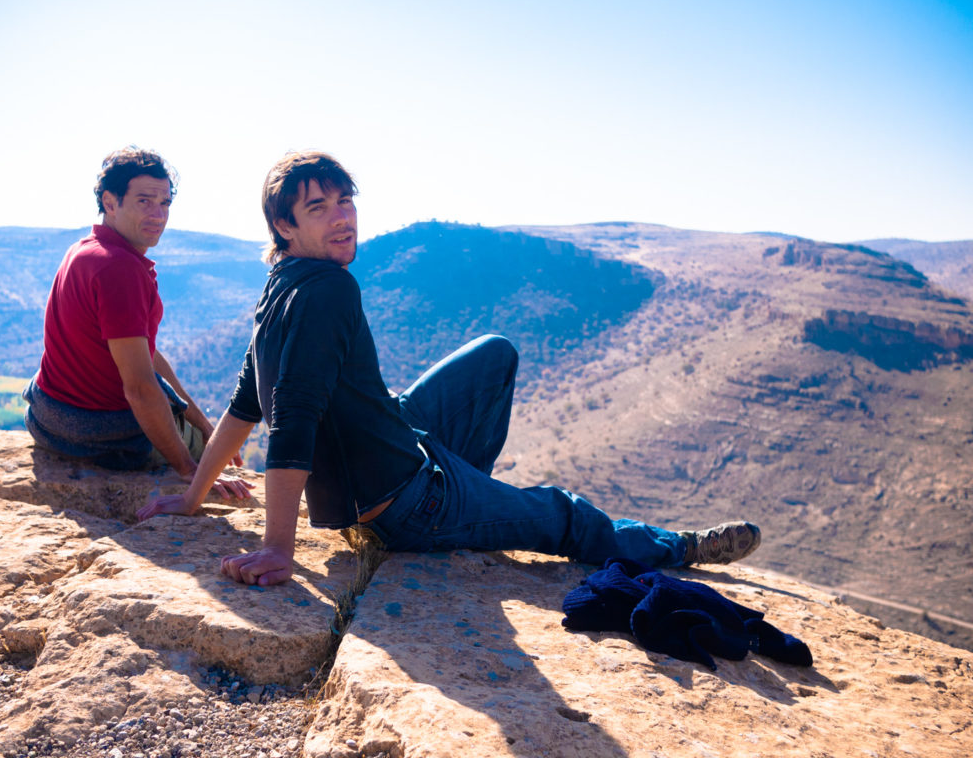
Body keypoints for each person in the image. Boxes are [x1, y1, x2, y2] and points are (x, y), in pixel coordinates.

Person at [136, 151, 760, 585]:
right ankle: (677, 548)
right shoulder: (327, 289)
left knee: (495, 355)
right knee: (557, 512)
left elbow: (246, 401)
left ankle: (469, 489)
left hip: (396, 443)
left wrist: (193, 497)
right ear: (284, 223)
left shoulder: (282, 283)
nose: (343, 216)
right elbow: (285, 418)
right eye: (320, 207)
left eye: (345, 201)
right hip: (407, 501)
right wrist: (278, 548)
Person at [24, 146, 249, 498]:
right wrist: (191, 470)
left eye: (165, 203)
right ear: (110, 202)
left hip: (47, 419)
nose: (158, 214)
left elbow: (144, 354)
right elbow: (141, 389)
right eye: (144, 201)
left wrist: (203, 423)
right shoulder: (120, 268)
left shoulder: (84, 249)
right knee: (210, 452)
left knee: (203, 435)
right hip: (100, 435)